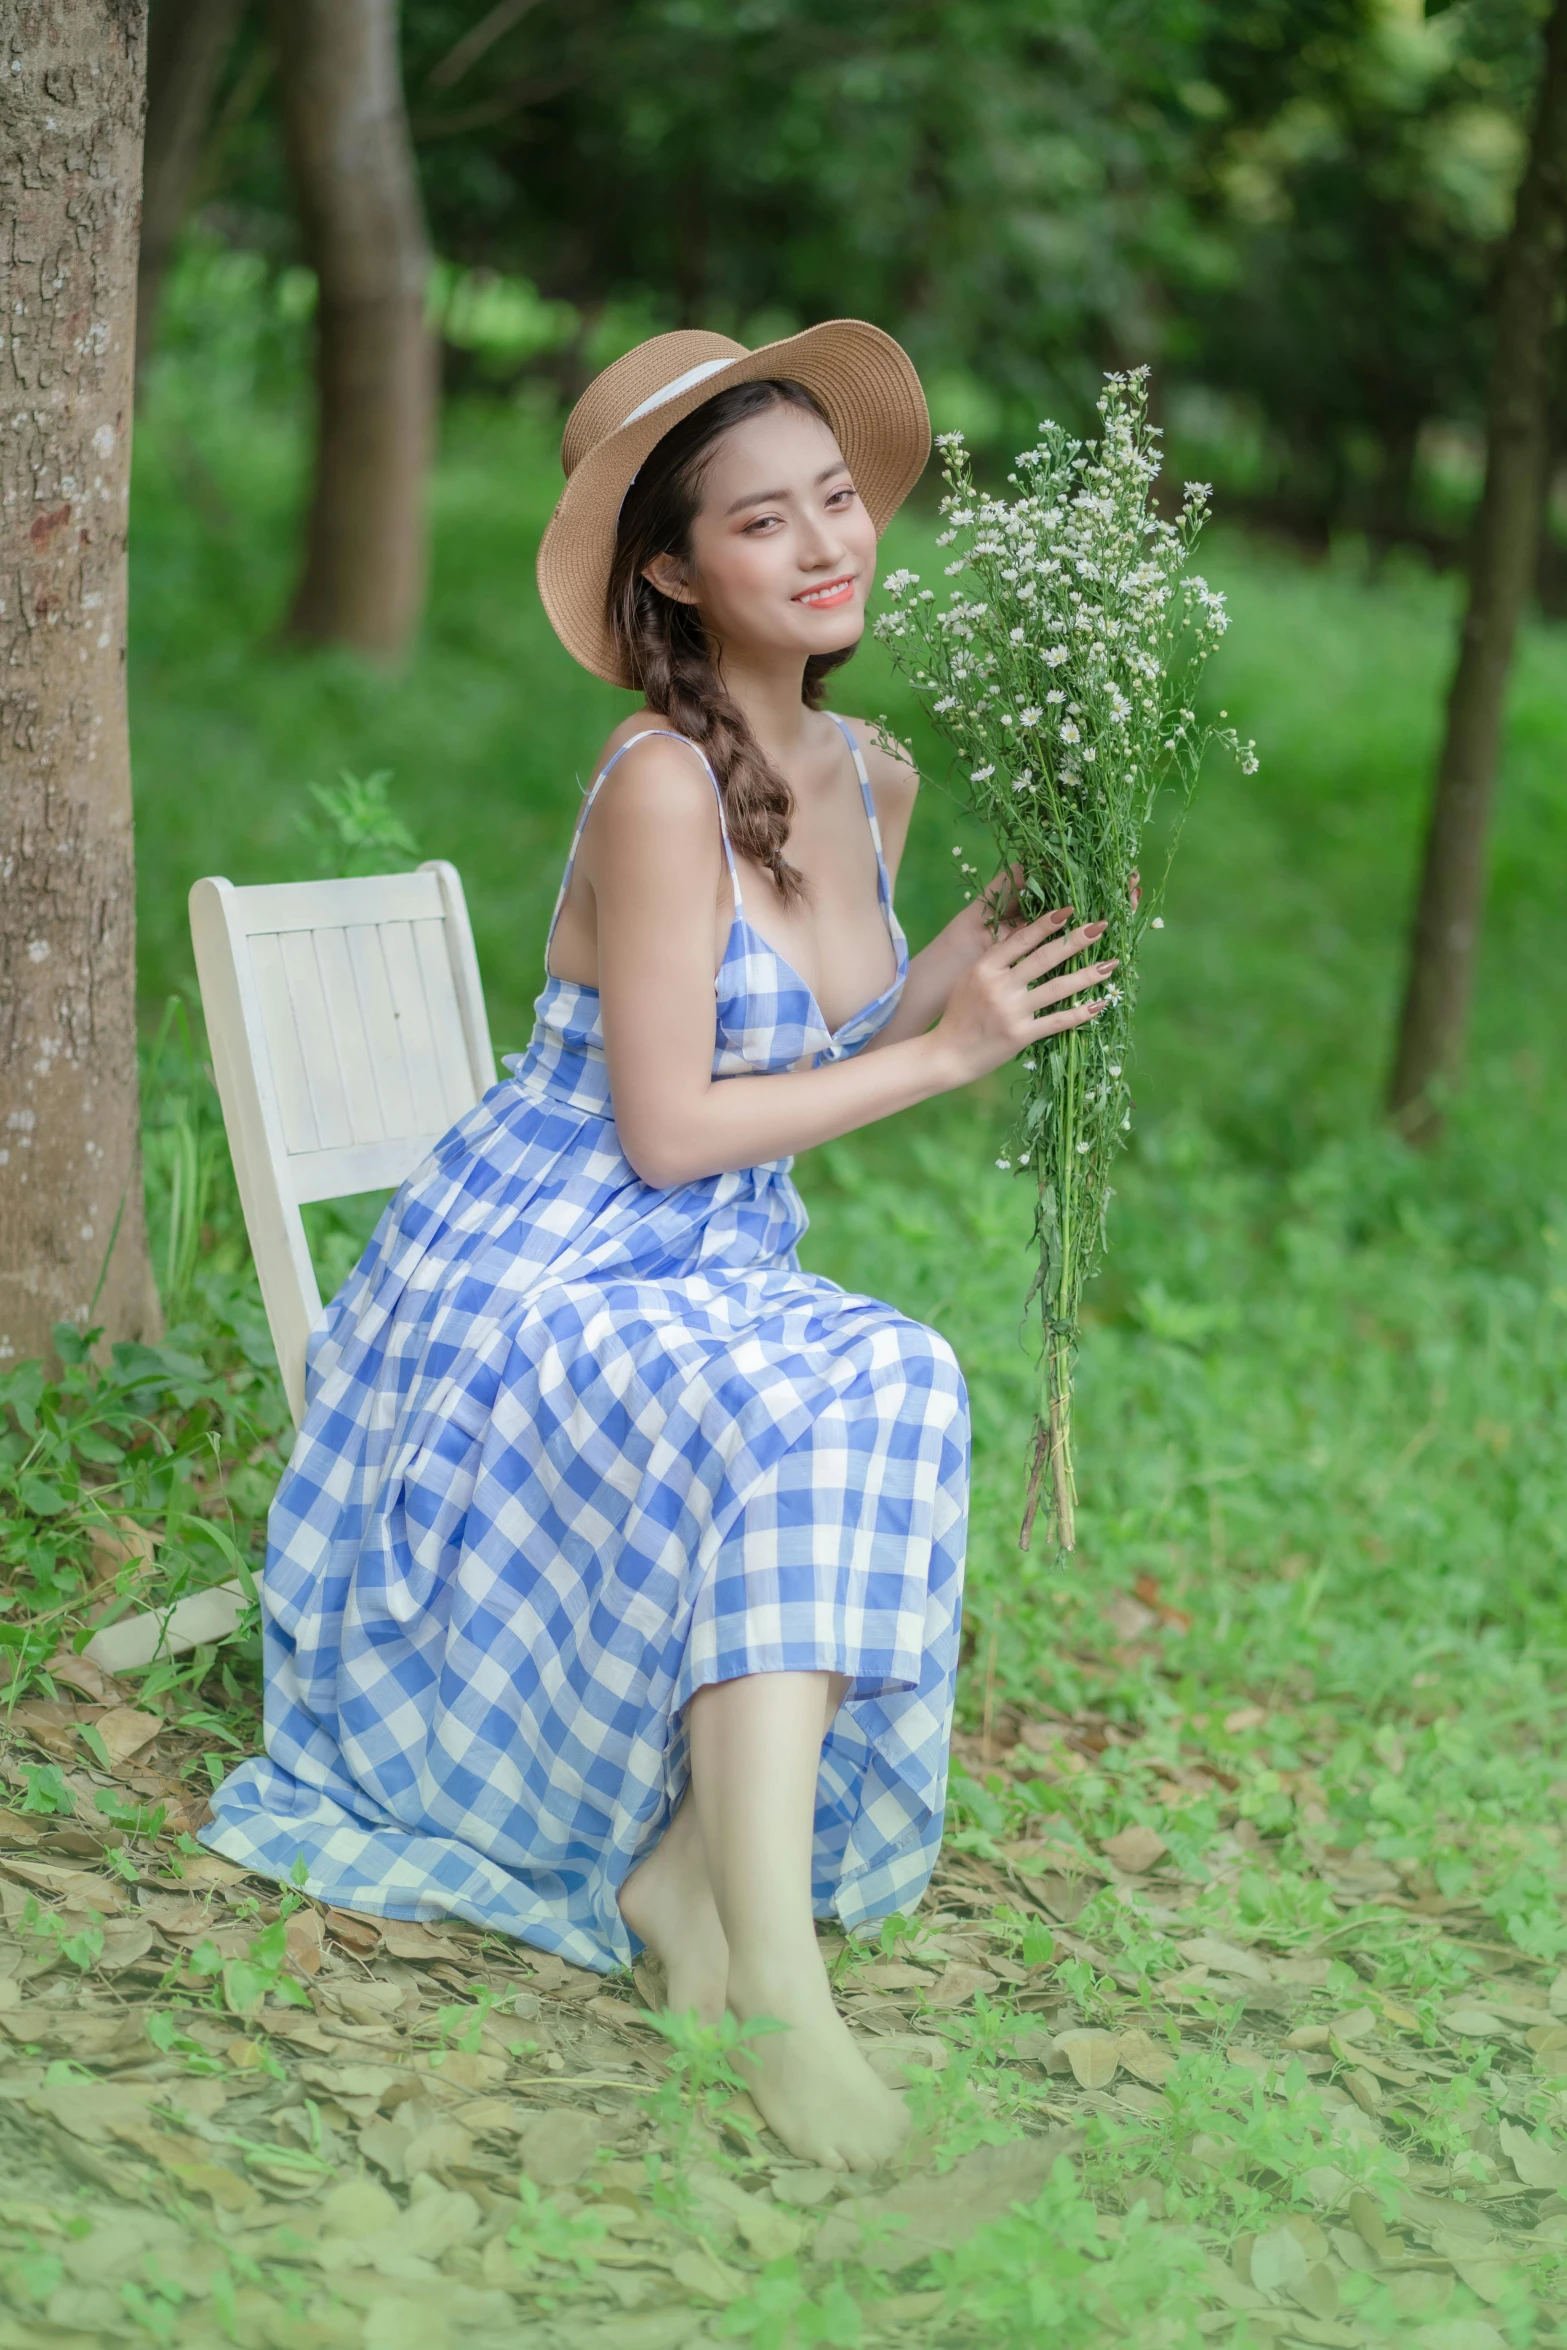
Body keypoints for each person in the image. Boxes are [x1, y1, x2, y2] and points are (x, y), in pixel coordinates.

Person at [200, 323, 1116, 2171]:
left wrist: (991, 955)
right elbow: (669, 1127)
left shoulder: (872, 774)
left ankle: (705, 1885)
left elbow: (829, 1031)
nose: (822, 547)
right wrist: (945, 1057)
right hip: (530, 1272)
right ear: (678, 575)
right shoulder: (656, 784)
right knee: (837, 1375)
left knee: (886, 1365)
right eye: (762, 523)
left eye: (836, 505)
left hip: (699, 1270)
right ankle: (772, 1987)